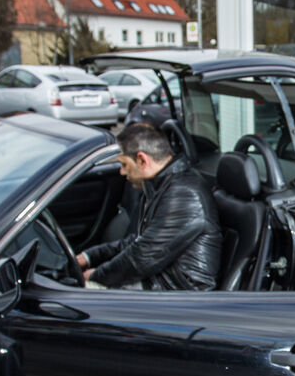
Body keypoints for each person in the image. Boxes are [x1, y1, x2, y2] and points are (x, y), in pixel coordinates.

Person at [77, 122, 221, 291]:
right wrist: (89, 256)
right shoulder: (163, 185)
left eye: (124, 164)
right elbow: (140, 241)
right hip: (160, 281)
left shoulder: (183, 194)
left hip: (179, 294)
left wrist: (96, 275)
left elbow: (144, 256)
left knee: (78, 288)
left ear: (142, 160)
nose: (122, 172)